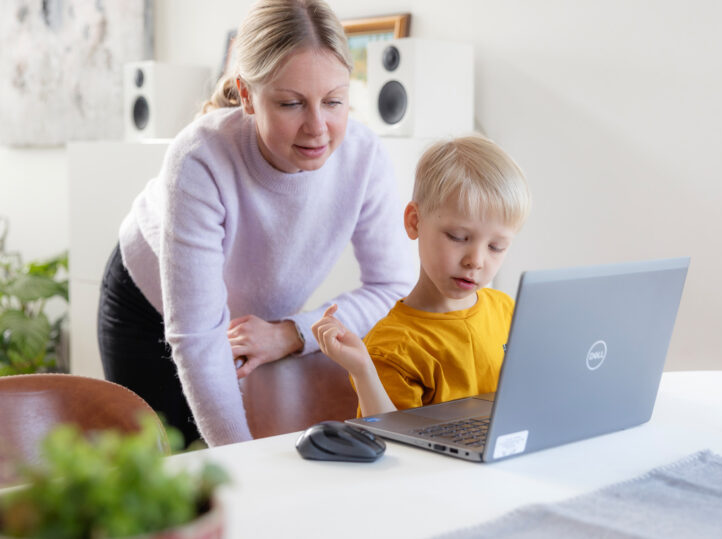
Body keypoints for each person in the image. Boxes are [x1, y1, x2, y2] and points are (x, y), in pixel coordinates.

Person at [97, 0, 414, 447]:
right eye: (291, 103)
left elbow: (392, 287)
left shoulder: (363, 157)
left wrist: (293, 332)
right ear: (247, 95)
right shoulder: (200, 158)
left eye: (334, 101)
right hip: (149, 311)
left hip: (254, 325)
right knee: (169, 472)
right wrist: (240, 462)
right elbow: (199, 334)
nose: (318, 128)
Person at [312, 135, 531, 417]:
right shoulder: (393, 347)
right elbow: (390, 442)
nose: (475, 261)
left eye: (495, 247)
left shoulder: (507, 310)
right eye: (458, 237)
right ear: (415, 222)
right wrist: (364, 372)